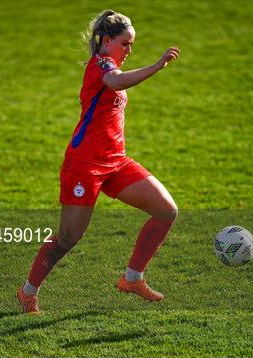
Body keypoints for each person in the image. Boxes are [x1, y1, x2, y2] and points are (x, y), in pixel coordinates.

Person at [17, 10, 180, 314]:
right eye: (126, 44)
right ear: (107, 41)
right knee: (68, 238)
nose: (129, 50)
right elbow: (116, 82)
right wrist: (157, 66)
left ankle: (132, 279)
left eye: (132, 45)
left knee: (166, 211)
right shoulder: (101, 66)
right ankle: (28, 292)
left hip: (116, 162)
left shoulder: (112, 64)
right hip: (85, 165)